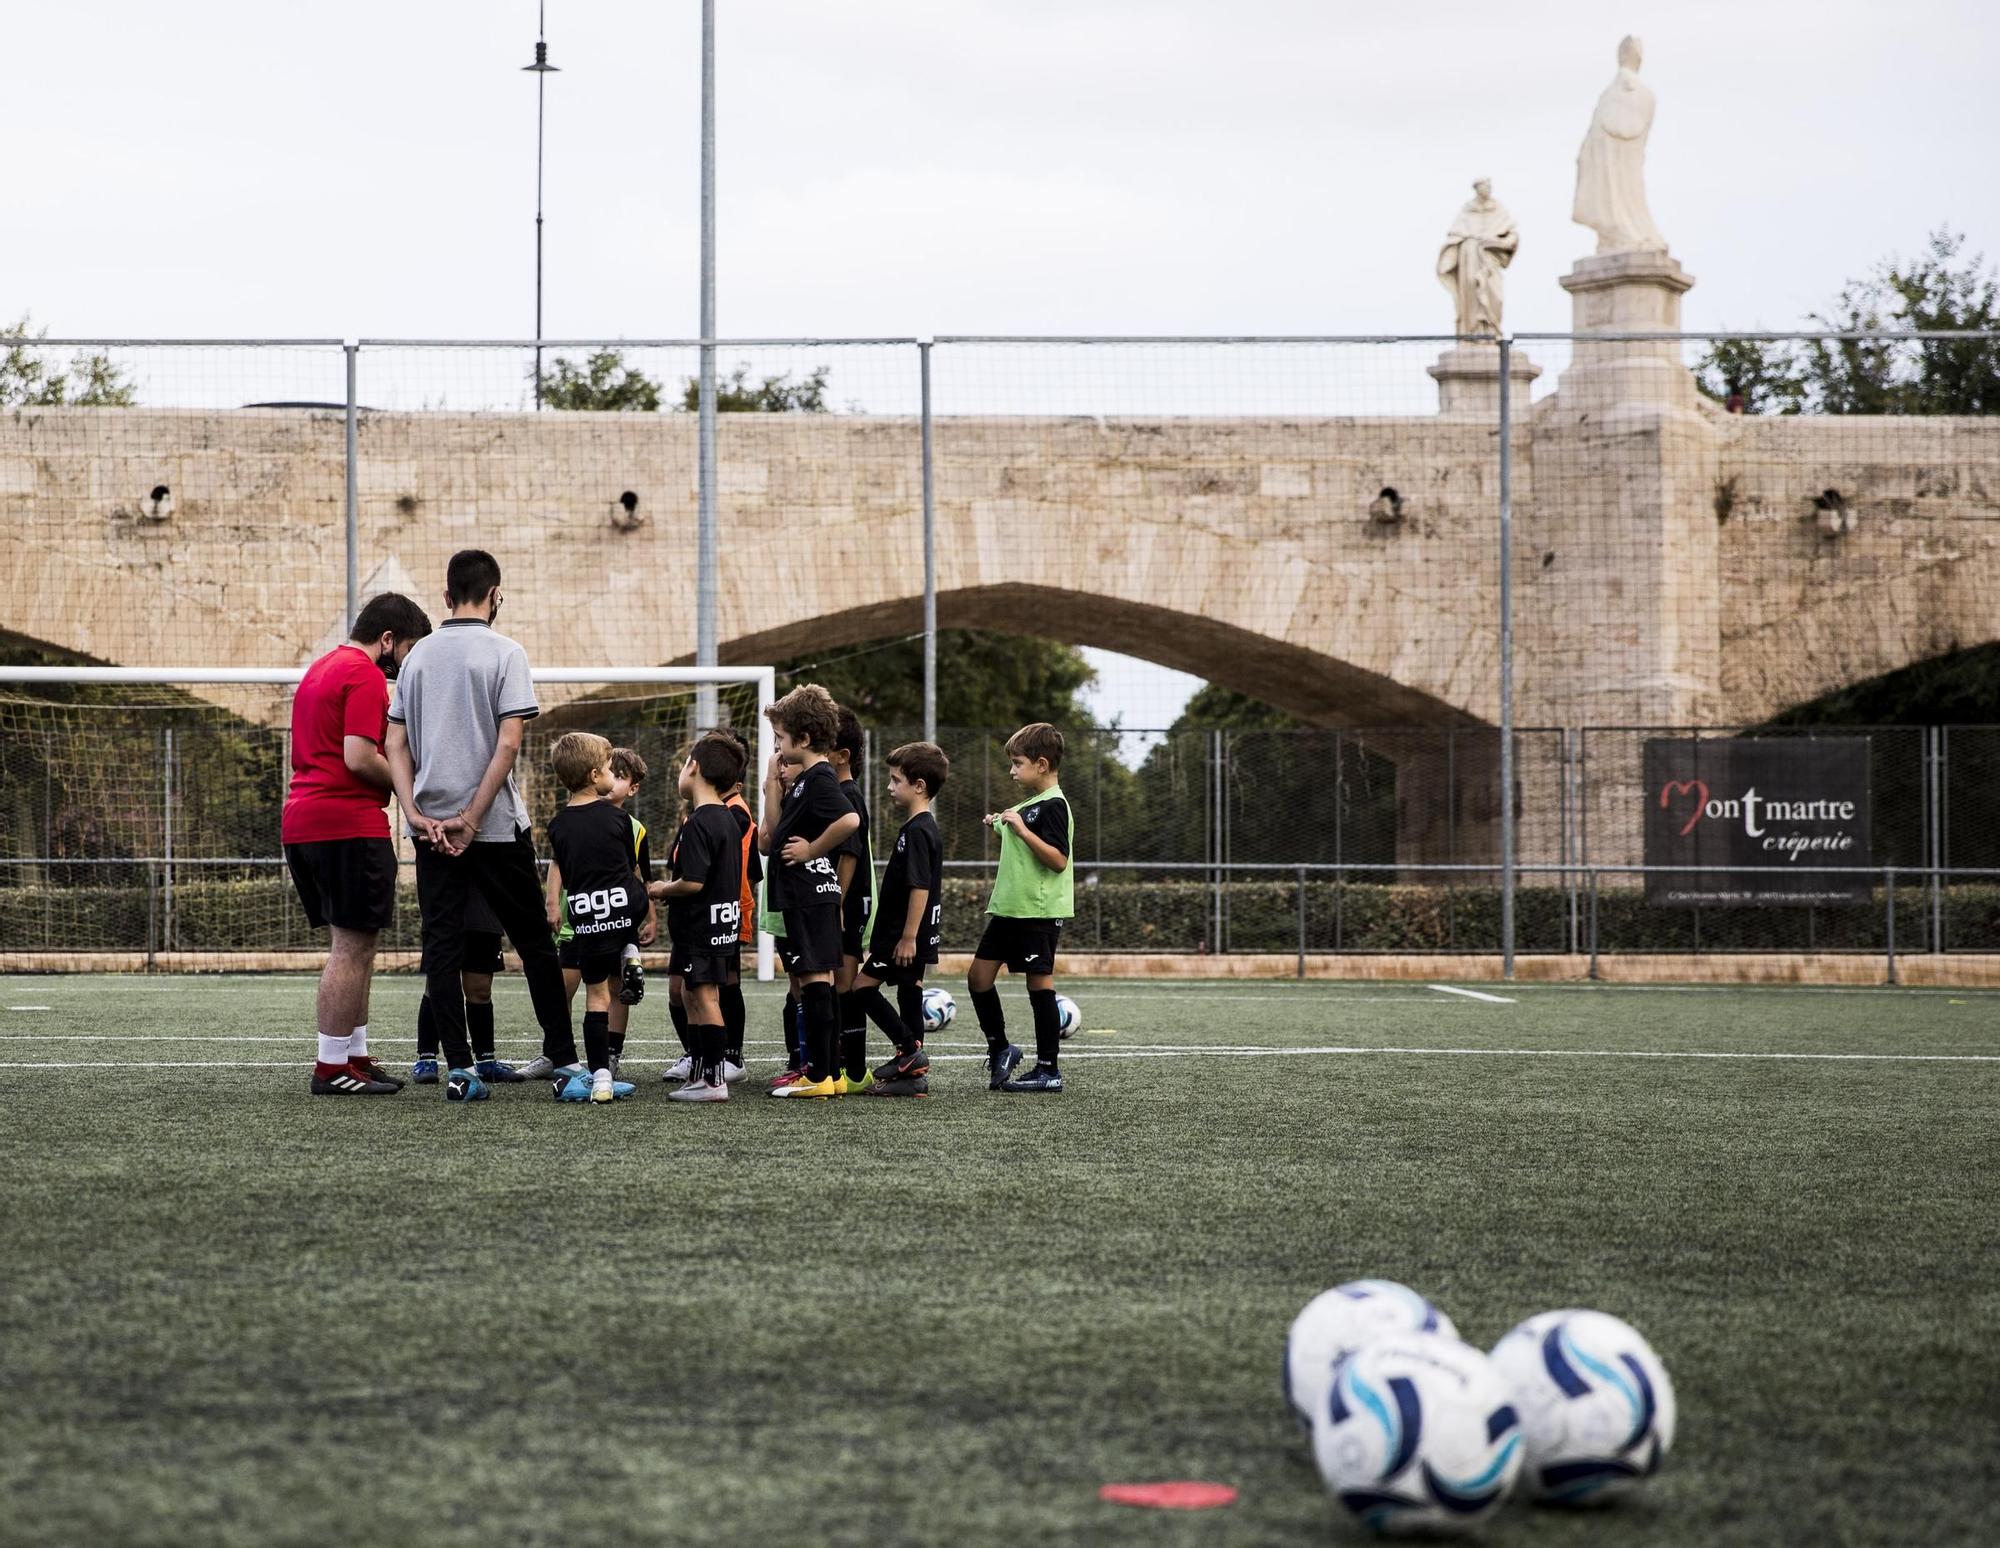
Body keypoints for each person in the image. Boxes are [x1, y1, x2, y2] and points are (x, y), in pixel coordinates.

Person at [384, 548, 577, 1102]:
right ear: (496, 596)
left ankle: (460, 1070)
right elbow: (509, 742)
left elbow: (394, 741)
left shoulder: (416, 658)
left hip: (431, 832)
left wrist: (415, 813)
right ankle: (565, 1066)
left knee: (441, 948)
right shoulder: (506, 651)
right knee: (535, 944)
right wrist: (472, 817)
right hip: (490, 828)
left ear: (446, 597)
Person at [282, 592, 432, 1096]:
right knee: (351, 949)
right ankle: (331, 1067)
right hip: (345, 824)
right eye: (407, 652)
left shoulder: (321, 667)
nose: (405, 666)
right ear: (387, 640)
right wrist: (406, 787)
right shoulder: (365, 674)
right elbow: (357, 756)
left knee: (355, 947)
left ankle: (355, 1056)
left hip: (304, 821)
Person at [758, 684, 860, 1099]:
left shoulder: (818, 777)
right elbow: (774, 836)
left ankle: (819, 1074)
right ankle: (828, 1073)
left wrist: (812, 849)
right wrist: (771, 783)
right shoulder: (803, 781)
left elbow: (850, 821)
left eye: (782, 738)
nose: (779, 747)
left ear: (803, 738)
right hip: (805, 895)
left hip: (811, 893)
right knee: (814, 978)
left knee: (816, 978)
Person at [968, 722, 1074, 1094]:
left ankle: (1049, 1069)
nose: (1012, 771)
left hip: (1038, 913)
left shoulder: (1054, 805)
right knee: (977, 979)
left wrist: (1021, 830)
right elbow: (1017, 831)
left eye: (1017, 763)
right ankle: (1001, 1048)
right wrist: (998, 823)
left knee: (1038, 986)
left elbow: (1058, 860)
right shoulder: (1029, 805)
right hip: (1009, 910)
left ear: (1041, 764)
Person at [544, 731, 647, 1104]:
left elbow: (568, 875)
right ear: (593, 776)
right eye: (607, 767)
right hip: (622, 909)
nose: (611, 774)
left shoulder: (557, 827)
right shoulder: (619, 820)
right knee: (629, 910)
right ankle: (630, 950)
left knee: (596, 995)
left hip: (586, 917)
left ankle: (600, 1078)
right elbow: (627, 870)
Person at [648, 732, 749, 1102]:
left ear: (694, 767)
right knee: (694, 996)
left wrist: (661, 889)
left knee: (705, 998)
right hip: (720, 925)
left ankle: (712, 1081)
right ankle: (699, 1071)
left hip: (702, 927)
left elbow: (692, 882)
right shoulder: (725, 817)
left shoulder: (700, 822)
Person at [852, 742, 948, 1098]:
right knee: (910, 990)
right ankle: (912, 1078)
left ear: (919, 786)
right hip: (912, 934)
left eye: (896, 781)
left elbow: (919, 886)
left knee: (861, 988)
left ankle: (909, 1050)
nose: (890, 788)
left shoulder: (918, 831)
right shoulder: (921, 827)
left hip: (900, 936)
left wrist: (908, 937)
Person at [409, 886, 521, 1084]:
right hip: (442, 911)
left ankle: (486, 1060)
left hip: (483, 914)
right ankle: (426, 1058)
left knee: (480, 989)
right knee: (437, 986)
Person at [828, 706, 876, 1091]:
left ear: (842, 755)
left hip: (847, 903)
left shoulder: (847, 794)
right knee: (839, 982)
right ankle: (847, 1063)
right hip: (842, 902)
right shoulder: (837, 792)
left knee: (845, 981)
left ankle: (855, 1070)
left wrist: (837, 901)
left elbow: (850, 851)